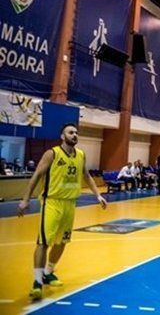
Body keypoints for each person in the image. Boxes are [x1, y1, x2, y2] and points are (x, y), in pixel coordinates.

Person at [17, 123, 108, 300]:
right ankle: (37, 282)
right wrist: (25, 199)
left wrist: (98, 195)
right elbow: (36, 176)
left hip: (70, 204)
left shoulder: (80, 154)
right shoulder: (52, 153)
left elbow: (86, 176)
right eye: (70, 132)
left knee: (62, 241)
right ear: (62, 136)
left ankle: (48, 272)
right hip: (52, 202)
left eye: (76, 132)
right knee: (44, 242)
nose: (74, 135)